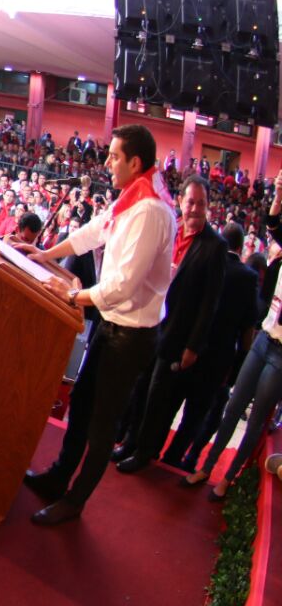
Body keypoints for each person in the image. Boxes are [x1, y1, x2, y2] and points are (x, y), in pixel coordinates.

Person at [23, 125, 176, 526]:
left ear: (135, 162)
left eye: (113, 157)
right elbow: (93, 232)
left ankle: (75, 501)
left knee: (102, 424)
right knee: (83, 406)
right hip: (111, 328)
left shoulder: (151, 211)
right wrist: (44, 254)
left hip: (131, 336)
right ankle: (59, 478)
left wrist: (72, 295)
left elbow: (122, 287)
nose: (106, 162)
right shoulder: (134, 195)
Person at [115, 176, 226, 473]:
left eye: (201, 203)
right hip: (150, 322)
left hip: (178, 334)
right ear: (180, 201)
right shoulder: (170, 228)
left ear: (208, 207)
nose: (195, 209)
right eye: (190, 202)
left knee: (157, 398)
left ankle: (143, 452)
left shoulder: (215, 247)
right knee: (139, 388)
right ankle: (128, 442)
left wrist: (193, 345)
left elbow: (209, 303)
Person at [183, 178, 282, 499]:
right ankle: (206, 468)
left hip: (281, 354)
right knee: (234, 406)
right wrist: (279, 193)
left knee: (255, 420)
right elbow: (274, 222)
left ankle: (227, 478)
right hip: (266, 338)